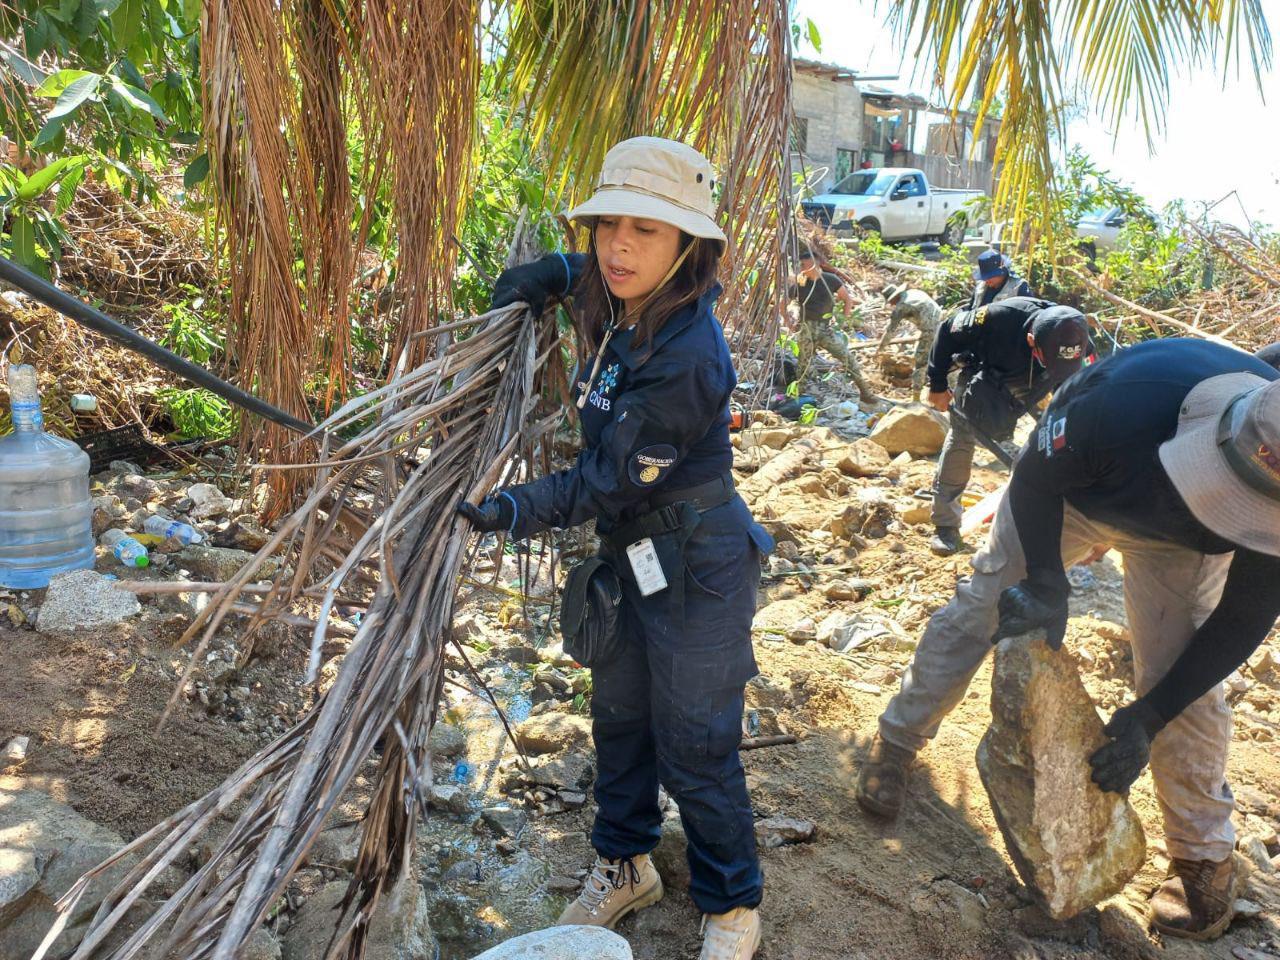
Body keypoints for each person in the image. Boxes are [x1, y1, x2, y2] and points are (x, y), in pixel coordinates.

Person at [458, 136, 772, 960]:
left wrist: (510, 509)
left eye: (646, 230)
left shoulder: (690, 356)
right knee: (621, 718)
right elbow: (589, 273)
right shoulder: (621, 301)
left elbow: (605, 481)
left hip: (699, 562)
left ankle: (733, 905)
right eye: (607, 227)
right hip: (631, 553)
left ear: (688, 248)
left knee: (697, 741)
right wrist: (554, 276)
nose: (619, 246)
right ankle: (626, 863)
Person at [857, 337, 1280, 941]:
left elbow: (1243, 618)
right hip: (1075, 497)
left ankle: (1202, 858)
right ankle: (896, 745)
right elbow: (1034, 477)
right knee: (986, 606)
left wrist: (1149, 716)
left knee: (1183, 680)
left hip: (1182, 549)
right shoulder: (1122, 404)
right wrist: (1050, 584)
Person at [924, 297, 1092, 556]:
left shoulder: (1074, 334)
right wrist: (936, 385)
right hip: (989, 380)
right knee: (962, 437)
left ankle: (1058, 523)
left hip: (1040, 383)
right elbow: (947, 329)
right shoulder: (999, 316)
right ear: (1031, 341)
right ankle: (945, 524)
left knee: (1059, 440)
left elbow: (1083, 381)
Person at [784, 244, 879, 404]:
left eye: (806, 264)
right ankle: (797, 399)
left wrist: (843, 320)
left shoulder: (830, 280)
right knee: (804, 365)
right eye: (801, 265)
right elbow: (782, 305)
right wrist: (790, 323)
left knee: (847, 358)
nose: (803, 268)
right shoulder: (800, 284)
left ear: (817, 263)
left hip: (825, 329)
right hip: (806, 328)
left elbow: (847, 299)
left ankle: (865, 392)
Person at [877, 283, 942, 392]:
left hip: (931, 330)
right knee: (935, 356)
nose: (892, 305)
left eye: (891, 302)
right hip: (942, 324)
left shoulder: (902, 305)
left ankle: (917, 395)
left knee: (919, 361)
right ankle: (934, 384)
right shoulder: (915, 293)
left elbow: (890, 330)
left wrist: (880, 349)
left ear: (894, 297)